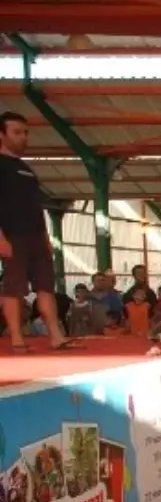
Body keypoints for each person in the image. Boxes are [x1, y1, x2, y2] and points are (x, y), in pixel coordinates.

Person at [0, 112, 78, 353]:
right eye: (17, 132)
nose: (24, 137)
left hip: (36, 235)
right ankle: (16, 338)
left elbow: (36, 206)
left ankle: (56, 336)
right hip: (12, 236)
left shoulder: (27, 169)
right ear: (1, 135)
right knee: (14, 289)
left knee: (46, 287)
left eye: (25, 132)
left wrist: (46, 237)